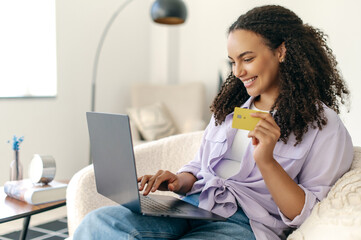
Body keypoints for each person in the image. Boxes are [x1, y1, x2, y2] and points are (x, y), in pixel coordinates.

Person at [73, 5, 353, 240]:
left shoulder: (322, 125)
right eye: (232, 61)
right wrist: (178, 181)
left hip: (245, 224)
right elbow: (199, 167)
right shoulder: (231, 113)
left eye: (247, 59)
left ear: (281, 52)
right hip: (193, 205)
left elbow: (306, 213)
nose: (238, 71)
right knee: (98, 223)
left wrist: (267, 162)